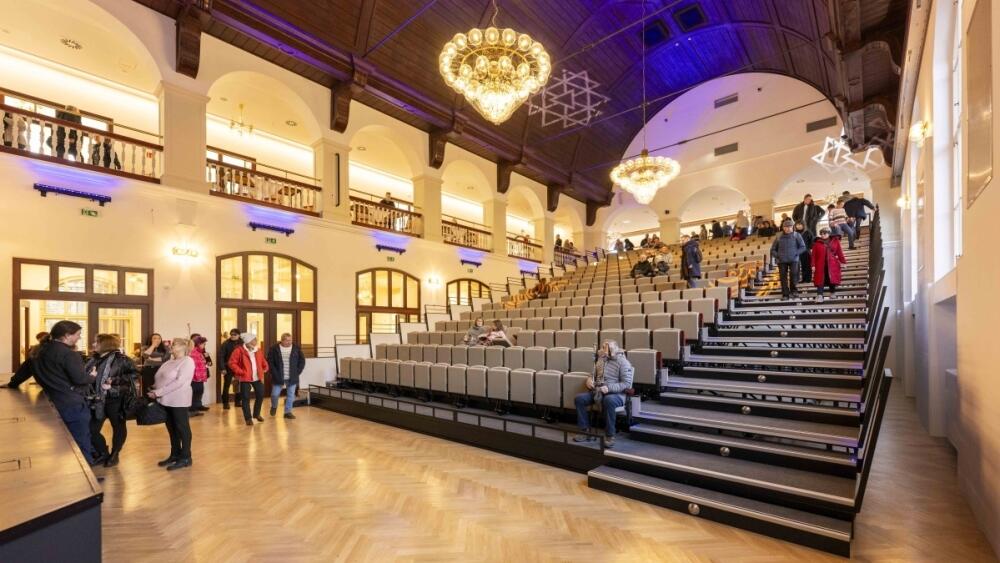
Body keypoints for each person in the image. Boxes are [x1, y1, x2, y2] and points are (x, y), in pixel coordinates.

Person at [2, 321, 97, 465]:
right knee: (81, 440)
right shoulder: (69, 354)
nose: (79, 337)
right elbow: (80, 379)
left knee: (63, 442)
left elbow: (22, 373)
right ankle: (88, 473)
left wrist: (11, 385)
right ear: (67, 336)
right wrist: (92, 376)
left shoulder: (38, 351)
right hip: (72, 405)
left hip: (49, 404)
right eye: (78, 334)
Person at [86, 334, 138, 468]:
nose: (93, 344)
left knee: (118, 427)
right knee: (91, 429)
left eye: (96, 342)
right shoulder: (93, 359)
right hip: (98, 400)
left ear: (105, 344)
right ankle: (103, 452)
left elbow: (134, 376)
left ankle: (115, 454)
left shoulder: (122, 359)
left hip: (116, 399)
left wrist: (114, 381)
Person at [572, 340, 634, 448]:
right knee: (579, 399)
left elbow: (626, 384)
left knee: (608, 400)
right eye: (603, 347)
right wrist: (589, 380)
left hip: (617, 395)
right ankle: (585, 431)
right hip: (598, 391)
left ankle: (610, 435)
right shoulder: (601, 360)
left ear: (613, 349)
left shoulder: (623, 362)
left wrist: (609, 388)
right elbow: (592, 374)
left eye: (606, 348)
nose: (603, 350)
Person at [148, 337, 195, 471]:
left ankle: (186, 457)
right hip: (165, 400)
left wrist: (158, 392)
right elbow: (160, 377)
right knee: (172, 429)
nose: (170, 346)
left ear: (182, 347)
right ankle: (175, 454)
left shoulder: (187, 361)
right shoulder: (170, 361)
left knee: (182, 429)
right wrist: (154, 388)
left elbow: (179, 382)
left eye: (173, 344)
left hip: (179, 400)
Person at [228, 333, 269, 426]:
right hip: (244, 378)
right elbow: (231, 363)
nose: (256, 342)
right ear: (248, 341)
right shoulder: (239, 350)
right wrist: (241, 372)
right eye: (254, 340)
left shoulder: (258, 350)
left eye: (256, 340)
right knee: (245, 398)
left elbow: (263, 361)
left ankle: (256, 414)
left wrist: (265, 367)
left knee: (260, 394)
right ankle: (248, 418)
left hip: (257, 377)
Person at [266, 333, 306, 419]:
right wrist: (274, 373)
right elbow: (270, 362)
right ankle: (274, 406)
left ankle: (288, 412)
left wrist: (297, 371)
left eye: (290, 340)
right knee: (274, 394)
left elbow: (302, 361)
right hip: (278, 376)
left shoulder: (296, 348)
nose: (289, 342)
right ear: (282, 340)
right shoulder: (274, 349)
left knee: (291, 395)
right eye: (287, 340)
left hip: (292, 376)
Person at [770, 220, 807, 299]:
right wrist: (778, 256)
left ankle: (794, 291)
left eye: (790, 227)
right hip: (781, 260)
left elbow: (803, 247)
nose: (788, 228)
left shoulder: (797, 235)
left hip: (794, 260)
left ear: (792, 227)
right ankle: (785, 294)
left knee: (794, 275)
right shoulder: (778, 236)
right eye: (786, 227)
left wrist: (796, 253)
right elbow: (772, 250)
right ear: (783, 228)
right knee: (783, 277)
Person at [811, 228, 847, 302]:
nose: (823, 235)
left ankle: (832, 292)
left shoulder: (835, 241)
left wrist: (843, 262)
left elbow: (839, 252)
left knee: (831, 278)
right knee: (820, 279)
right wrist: (813, 265)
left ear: (829, 233)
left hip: (832, 264)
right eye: (821, 234)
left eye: (824, 233)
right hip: (820, 265)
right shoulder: (816, 243)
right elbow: (813, 256)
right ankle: (820, 295)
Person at [220, 328, 243, 410]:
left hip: (239, 367)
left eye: (234, 335)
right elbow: (221, 356)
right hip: (228, 367)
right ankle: (225, 403)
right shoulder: (225, 343)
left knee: (238, 384)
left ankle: (238, 402)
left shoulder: (242, 343)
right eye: (231, 334)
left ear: (239, 335)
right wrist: (222, 368)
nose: (232, 336)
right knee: (227, 385)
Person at [189, 336, 210, 416]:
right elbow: (194, 366)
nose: (204, 346)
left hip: (200, 377)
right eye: (203, 344)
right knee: (194, 393)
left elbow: (204, 363)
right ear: (198, 344)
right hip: (195, 378)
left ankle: (196, 408)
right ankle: (192, 410)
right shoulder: (193, 353)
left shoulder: (199, 352)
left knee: (199, 392)